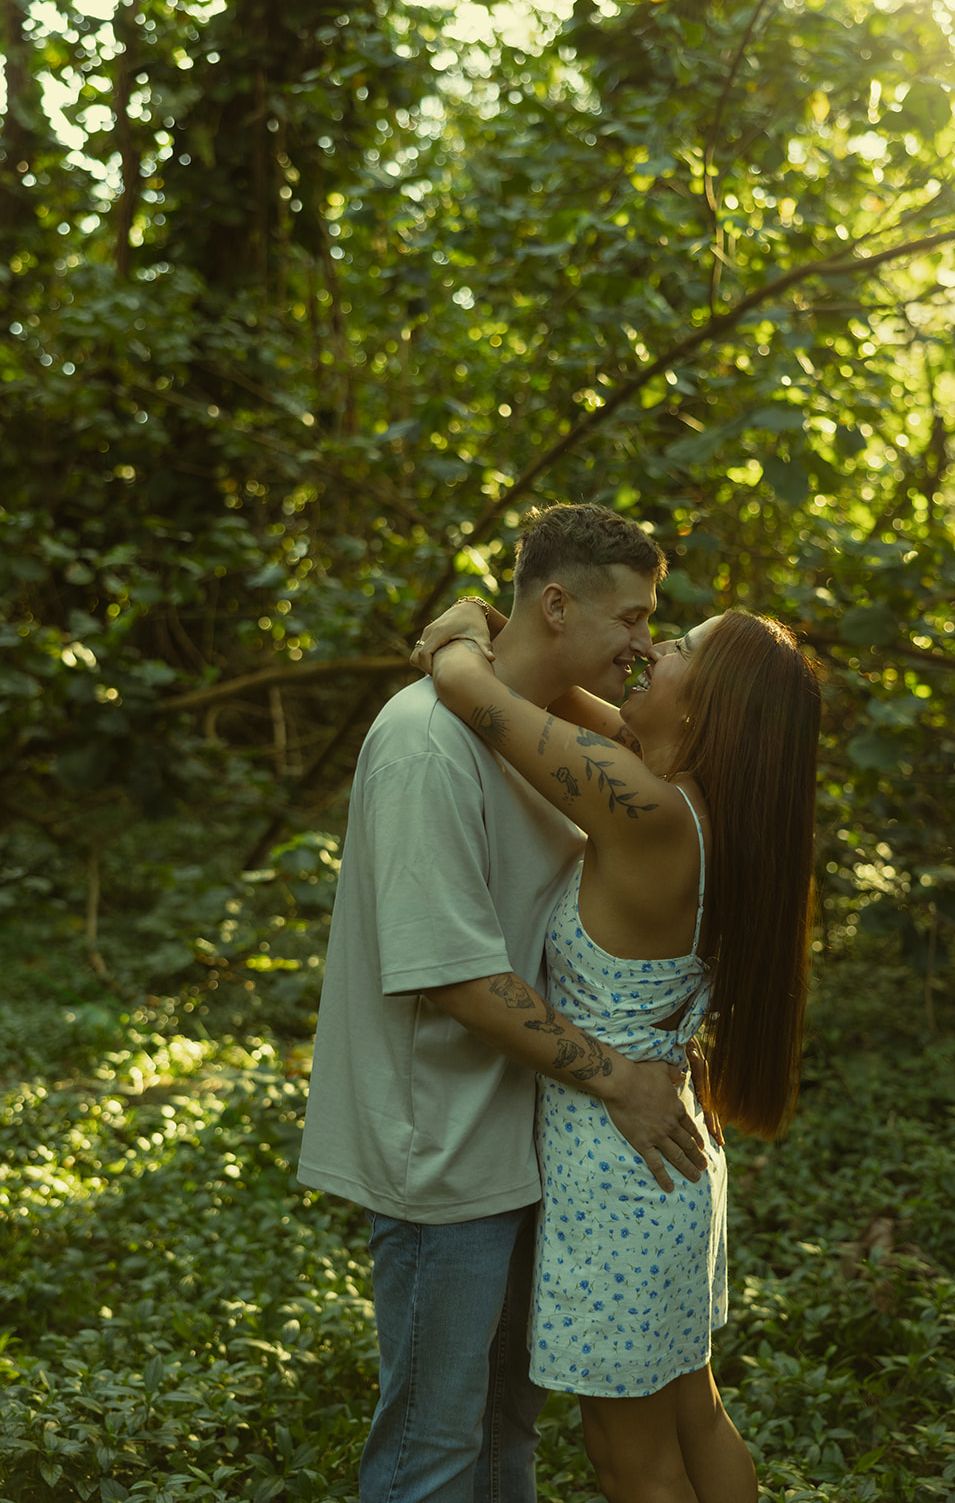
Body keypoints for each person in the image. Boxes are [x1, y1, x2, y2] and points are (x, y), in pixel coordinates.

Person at [297, 503, 709, 1503]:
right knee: (434, 1444)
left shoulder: (553, 736)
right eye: (631, 619)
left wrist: (459, 647)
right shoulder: (425, 748)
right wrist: (620, 1078)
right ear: (557, 605)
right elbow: (456, 977)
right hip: (441, 1155)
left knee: (504, 1433)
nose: (643, 645)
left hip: (528, 1139)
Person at [414, 600, 821, 1503]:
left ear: (704, 707)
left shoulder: (645, 806)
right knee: (694, 1414)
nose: (650, 652)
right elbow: (561, 695)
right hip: (666, 1165)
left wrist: (457, 635)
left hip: (619, 1176)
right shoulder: (690, 802)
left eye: (674, 647)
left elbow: (473, 694)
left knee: (630, 1464)